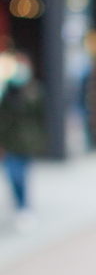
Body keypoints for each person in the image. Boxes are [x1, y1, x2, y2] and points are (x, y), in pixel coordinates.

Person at [0, 52, 47, 231]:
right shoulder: (8, 90)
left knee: (23, 175)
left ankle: (24, 206)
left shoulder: (35, 90)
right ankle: (20, 206)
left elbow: (41, 117)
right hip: (10, 141)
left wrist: (41, 140)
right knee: (13, 174)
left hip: (28, 141)